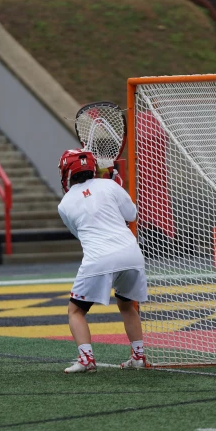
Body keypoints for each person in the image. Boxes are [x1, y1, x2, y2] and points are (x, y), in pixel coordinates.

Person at [57, 148, 147, 373]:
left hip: (99, 257)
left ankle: (86, 359)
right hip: (131, 253)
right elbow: (132, 215)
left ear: (68, 172)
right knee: (127, 305)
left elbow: (81, 233)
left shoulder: (65, 203)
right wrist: (116, 182)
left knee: (75, 311)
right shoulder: (110, 185)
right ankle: (138, 356)